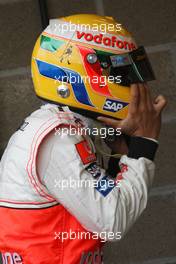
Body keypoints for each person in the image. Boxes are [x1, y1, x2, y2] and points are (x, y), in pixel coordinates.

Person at [0, 14, 167, 264]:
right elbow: (112, 220)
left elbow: (99, 202)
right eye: (121, 74)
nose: (134, 85)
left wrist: (122, 151)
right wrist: (144, 143)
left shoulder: (63, 128)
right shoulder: (57, 136)